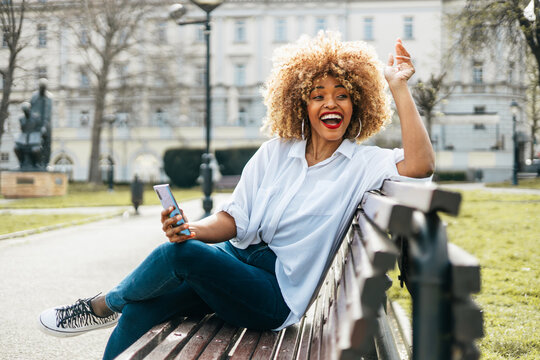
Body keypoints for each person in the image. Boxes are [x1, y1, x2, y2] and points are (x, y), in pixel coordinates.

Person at [38, 32, 434, 359]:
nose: (330, 103)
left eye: (342, 94)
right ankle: (122, 304)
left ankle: (102, 305)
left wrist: (397, 86)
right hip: (231, 265)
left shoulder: (362, 164)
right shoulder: (275, 152)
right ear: (301, 103)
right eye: (317, 94)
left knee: (178, 255)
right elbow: (232, 219)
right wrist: (190, 228)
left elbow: (420, 164)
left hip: (272, 296)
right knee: (146, 304)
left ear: (357, 103)